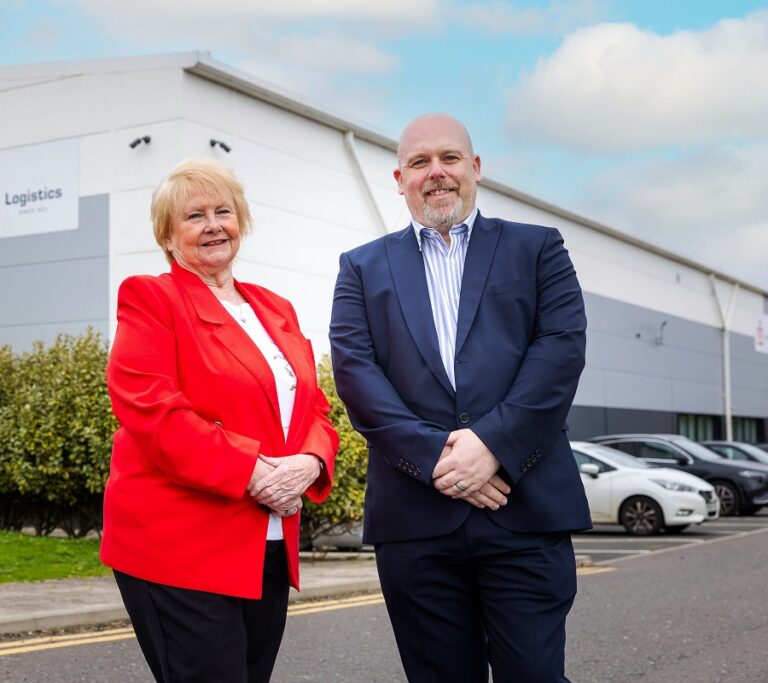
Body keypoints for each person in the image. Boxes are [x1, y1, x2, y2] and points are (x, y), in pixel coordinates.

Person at [329, 113, 591, 682]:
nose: (436, 173)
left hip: (522, 510)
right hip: (416, 523)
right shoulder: (360, 267)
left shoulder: (539, 248)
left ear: (475, 169)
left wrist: (491, 446)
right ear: (399, 179)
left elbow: (560, 355)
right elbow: (356, 375)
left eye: (449, 159)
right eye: (419, 163)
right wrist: (439, 459)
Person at [102, 157, 339, 683]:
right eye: (194, 216)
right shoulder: (151, 297)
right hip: (179, 544)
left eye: (223, 212)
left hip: (269, 540)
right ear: (167, 236)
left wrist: (307, 462)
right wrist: (258, 474)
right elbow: (153, 410)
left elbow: (314, 409)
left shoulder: (274, 306)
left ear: (242, 221)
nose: (213, 225)